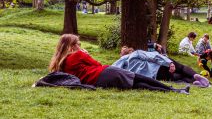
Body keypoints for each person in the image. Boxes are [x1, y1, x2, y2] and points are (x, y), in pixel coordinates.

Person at [49, 34, 188, 93]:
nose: (80, 46)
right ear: (71, 46)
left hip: (98, 82)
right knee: (139, 78)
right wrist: (87, 55)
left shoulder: (61, 64)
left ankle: (174, 90)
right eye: (78, 44)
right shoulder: (78, 55)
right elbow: (97, 65)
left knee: (137, 86)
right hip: (104, 72)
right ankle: (174, 90)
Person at [115, 46, 210, 87]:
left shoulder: (122, 67)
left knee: (179, 77)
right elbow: (153, 56)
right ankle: (197, 77)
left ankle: (196, 82)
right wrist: (169, 63)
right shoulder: (136, 53)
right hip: (160, 65)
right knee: (182, 68)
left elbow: (113, 69)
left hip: (157, 75)